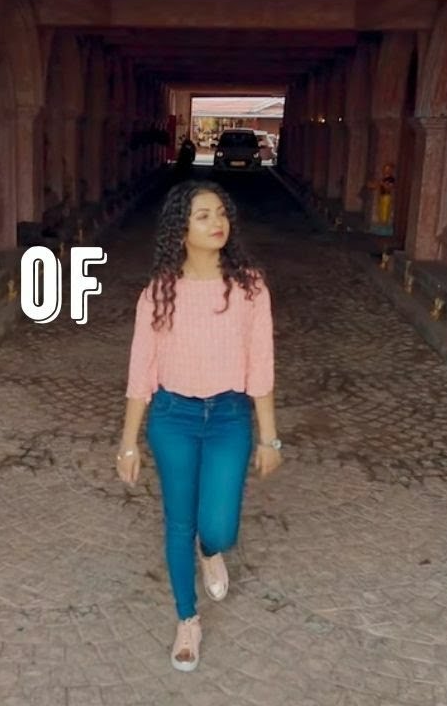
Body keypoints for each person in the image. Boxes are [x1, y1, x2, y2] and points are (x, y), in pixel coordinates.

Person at [115, 180, 282, 673]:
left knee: (219, 527)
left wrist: (269, 437)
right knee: (179, 520)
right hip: (173, 418)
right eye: (203, 215)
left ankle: (211, 551)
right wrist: (128, 444)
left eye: (221, 213)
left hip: (229, 417)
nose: (217, 223)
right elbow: (141, 372)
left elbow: (261, 366)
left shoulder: (250, 288)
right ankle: (187, 619)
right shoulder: (158, 293)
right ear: (180, 229)